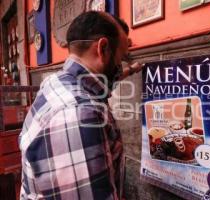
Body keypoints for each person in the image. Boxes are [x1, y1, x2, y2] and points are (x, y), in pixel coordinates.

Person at [19, 11, 142, 200]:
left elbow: (104, 82)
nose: (121, 64)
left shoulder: (57, 81)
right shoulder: (78, 114)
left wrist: (130, 69)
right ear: (102, 48)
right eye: (121, 57)